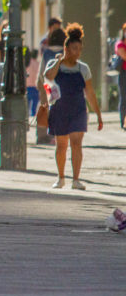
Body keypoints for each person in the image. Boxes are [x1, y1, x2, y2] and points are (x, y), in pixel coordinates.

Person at [44, 24, 103, 190]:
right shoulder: (55, 65)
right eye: (74, 48)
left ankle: (76, 179)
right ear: (66, 48)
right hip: (59, 111)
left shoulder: (83, 69)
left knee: (76, 143)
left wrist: (98, 114)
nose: (77, 52)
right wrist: (59, 61)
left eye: (80, 49)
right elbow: (48, 77)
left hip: (78, 110)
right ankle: (61, 177)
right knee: (61, 146)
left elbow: (90, 93)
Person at [36, 28, 67, 145]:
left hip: (48, 86)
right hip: (62, 88)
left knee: (44, 110)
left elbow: (41, 72)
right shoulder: (66, 52)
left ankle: (42, 135)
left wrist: (40, 86)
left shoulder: (47, 53)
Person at [114, 23, 126, 130]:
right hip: (124, 73)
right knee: (124, 98)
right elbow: (124, 56)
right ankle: (124, 121)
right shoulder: (120, 44)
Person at [26, 48, 40, 118]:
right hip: (35, 87)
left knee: (27, 104)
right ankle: (33, 117)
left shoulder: (27, 63)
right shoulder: (38, 64)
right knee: (34, 106)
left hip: (27, 86)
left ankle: (27, 117)